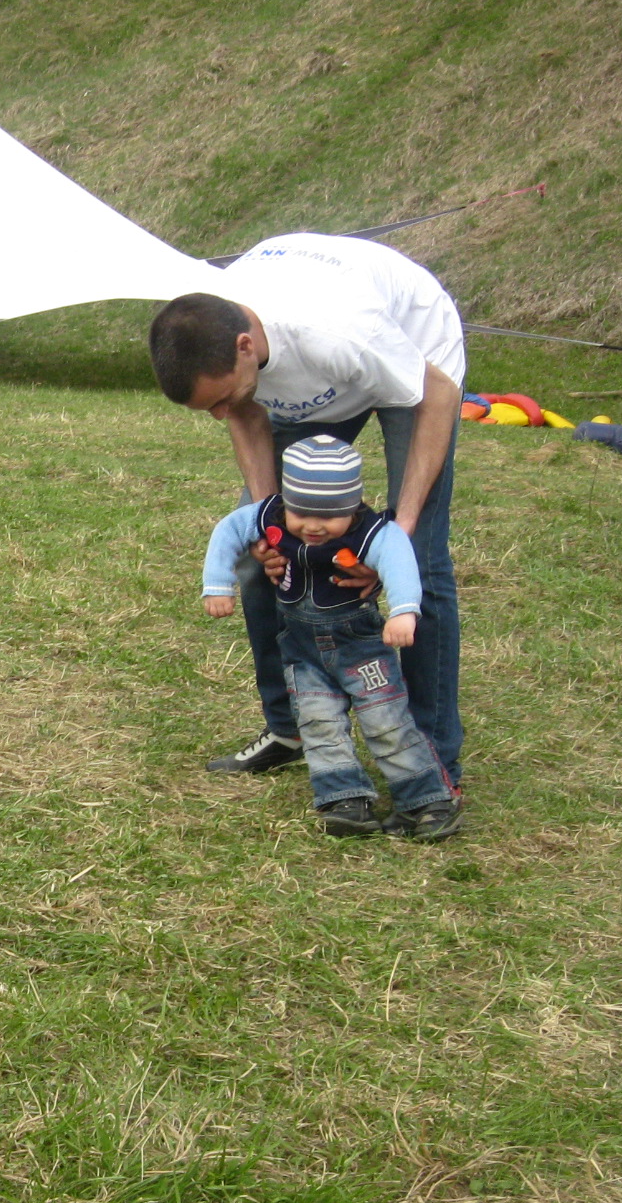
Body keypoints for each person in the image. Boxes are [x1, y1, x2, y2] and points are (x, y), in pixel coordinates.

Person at [151, 233, 467, 791]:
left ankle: (435, 760)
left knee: (418, 562)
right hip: (318, 382)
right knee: (259, 562)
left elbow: (437, 396)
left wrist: (395, 536)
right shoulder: (219, 334)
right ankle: (291, 727)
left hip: (416, 369)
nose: (218, 414)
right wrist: (269, 527)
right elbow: (244, 415)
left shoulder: (337, 332)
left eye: (220, 399)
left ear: (245, 346)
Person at [201, 436, 460, 840]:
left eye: (329, 515)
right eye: (301, 512)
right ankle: (344, 800)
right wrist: (218, 583)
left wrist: (404, 611)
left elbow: (399, 560)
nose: (313, 525)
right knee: (319, 724)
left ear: (352, 507)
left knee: (387, 722)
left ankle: (428, 801)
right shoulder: (270, 514)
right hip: (301, 649)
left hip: (360, 648)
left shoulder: (372, 531)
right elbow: (229, 529)